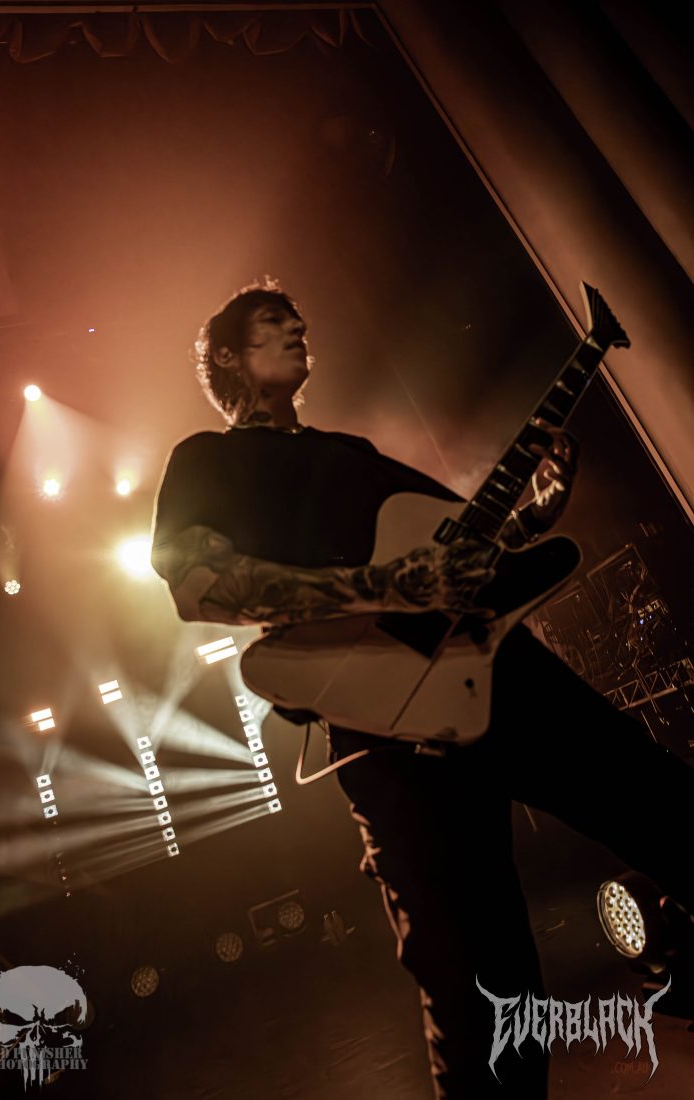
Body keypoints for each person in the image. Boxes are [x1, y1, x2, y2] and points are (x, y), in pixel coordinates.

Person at [151, 283, 694, 1098]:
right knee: (483, 989)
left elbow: (450, 566)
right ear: (226, 355)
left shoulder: (353, 451)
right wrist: (384, 586)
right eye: (273, 321)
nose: (298, 325)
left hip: (494, 666)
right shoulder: (207, 459)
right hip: (384, 724)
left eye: (298, 317)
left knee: (671, 812)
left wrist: (526, 522)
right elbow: (198, 585)